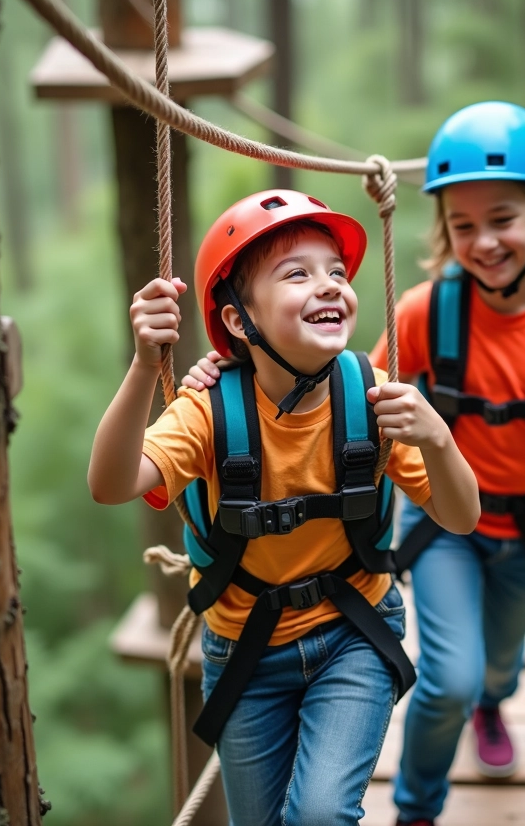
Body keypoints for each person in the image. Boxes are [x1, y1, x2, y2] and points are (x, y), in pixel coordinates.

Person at [183, 103, 525, 826]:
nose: (484, 242)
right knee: (448, 680)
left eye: (501, 219)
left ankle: (495, 706)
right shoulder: (422, 314)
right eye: (462, 226)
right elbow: (333, 389)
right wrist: (229, 370)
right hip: (442, 527)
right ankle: (418, 807)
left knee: (496, 666)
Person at [88, 189, 479, 826]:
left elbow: (461, 517)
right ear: (241, 321)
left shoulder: (372, 400)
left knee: (320, 816)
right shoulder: (209, 412)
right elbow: (111, 483)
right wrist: (143, 366)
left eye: (335, 271)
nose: (327, 285)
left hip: (354, 632)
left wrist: (436, 437)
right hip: (245, 651)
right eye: (296, 274)